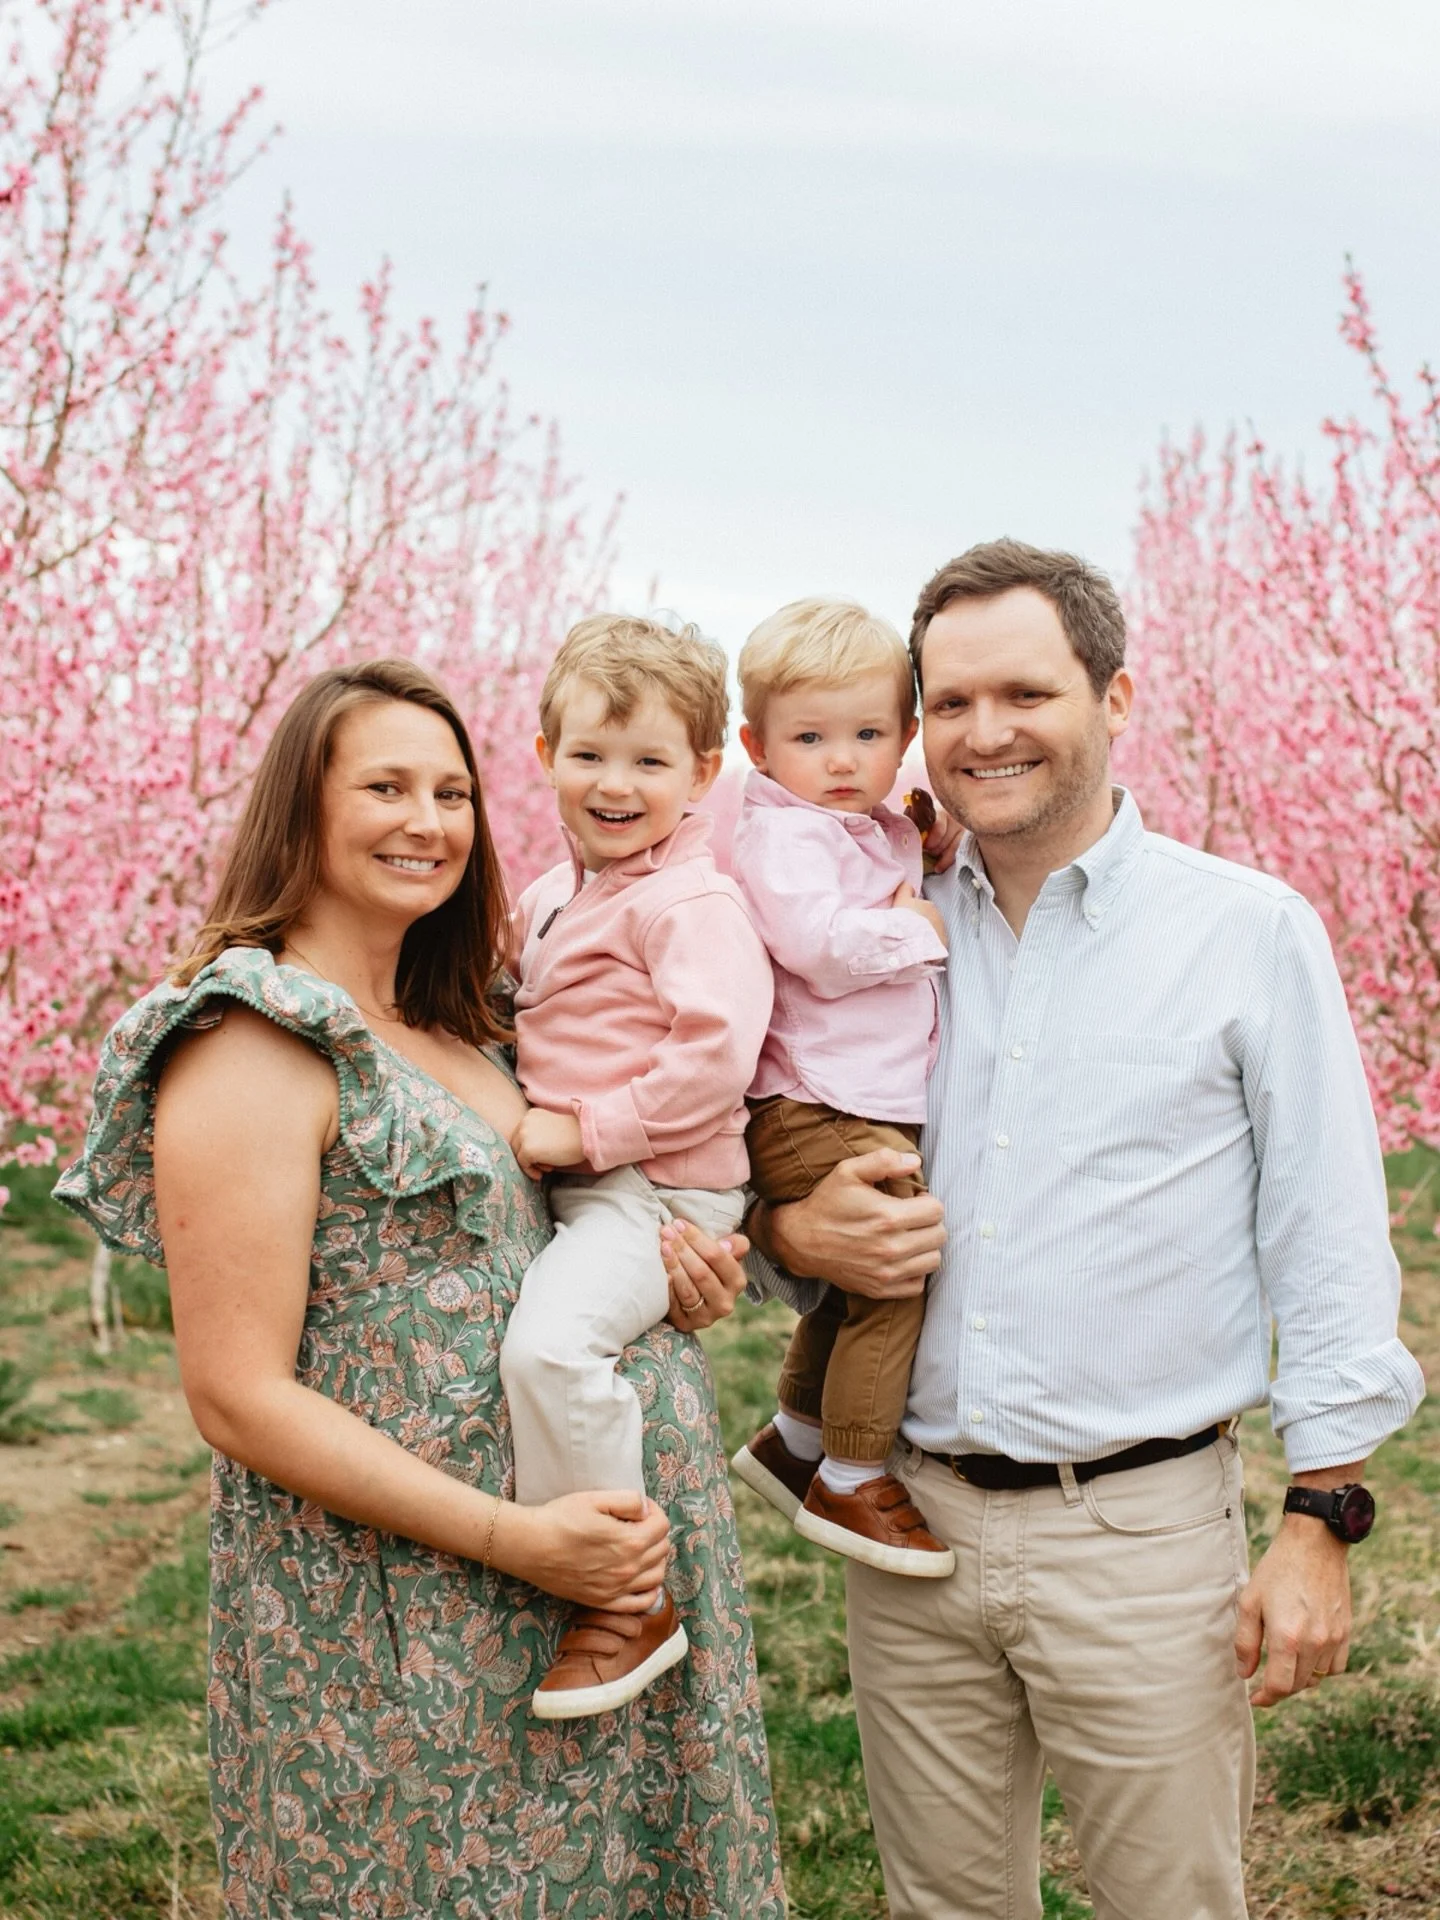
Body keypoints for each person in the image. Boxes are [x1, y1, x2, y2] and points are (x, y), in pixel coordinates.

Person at [741, 541, 1426, 1920]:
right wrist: (793, 1231)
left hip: (1139, 1533)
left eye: (1026, 693)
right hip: (910, 1525)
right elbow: (769, 1126)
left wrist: (1320, 1518)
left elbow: (1329, 1234)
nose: (984, 734)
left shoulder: (1245, 933)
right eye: (949, 703)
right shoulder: (869, 926)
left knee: (1171, 1901)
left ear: (1115, 698)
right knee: (941, 1906)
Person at [55, 658, 786, 1919]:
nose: (430, 820)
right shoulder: (256, 1039)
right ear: (302, 809)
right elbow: (235, 1394)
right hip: (412, 1610)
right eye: (386, 786)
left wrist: (678, 1289)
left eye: (452, 790)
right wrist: (520, 1540)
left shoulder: (475, 1028)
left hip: (603, 1596)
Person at [500, 615, 774, 1717]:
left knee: (553, 1349)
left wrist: (588, 1131)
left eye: (651, 762)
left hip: (655, 1190)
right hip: (597, 1187)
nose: (617, 784)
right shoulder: (551, 896)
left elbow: (716, 1059)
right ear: (544, 757)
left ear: (704, 774)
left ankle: (624, 1596)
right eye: (590, 756)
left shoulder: (689, 903)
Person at [725, 598, 954, 1576]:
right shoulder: (785, 836)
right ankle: (853, 1478)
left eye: (868, 735)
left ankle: (795, 1439)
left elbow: (894, 859)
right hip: (813, 1100)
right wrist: (919, 932)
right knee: (896, 1270)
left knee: (848, 1288)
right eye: (809, 738)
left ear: (904, 737)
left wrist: (929, 847)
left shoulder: (860, 825)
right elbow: (820, 946)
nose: (842, 760)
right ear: (757, 746)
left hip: (849, 1098)